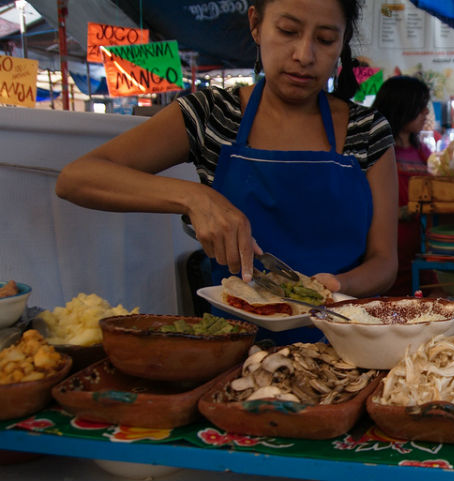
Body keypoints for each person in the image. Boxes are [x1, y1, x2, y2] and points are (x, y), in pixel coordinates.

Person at [56, 0, 398, 302]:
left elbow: (384, 262)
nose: (304, 55)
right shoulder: (212, 115)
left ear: (342, 42)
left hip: (344, 339)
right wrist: (194, 198)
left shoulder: (367, 130)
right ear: (256, 24)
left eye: (325, 39)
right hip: (233, 343)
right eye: (288, 31)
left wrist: (333, 287)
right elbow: (76, 179)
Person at [372, 75, 433, 295]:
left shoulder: (423, 152)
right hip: (388, 246)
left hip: (422, 246)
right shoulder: (377, 151)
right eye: (420, 106)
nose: (426, 112)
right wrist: (400, 212)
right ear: (402, 106)